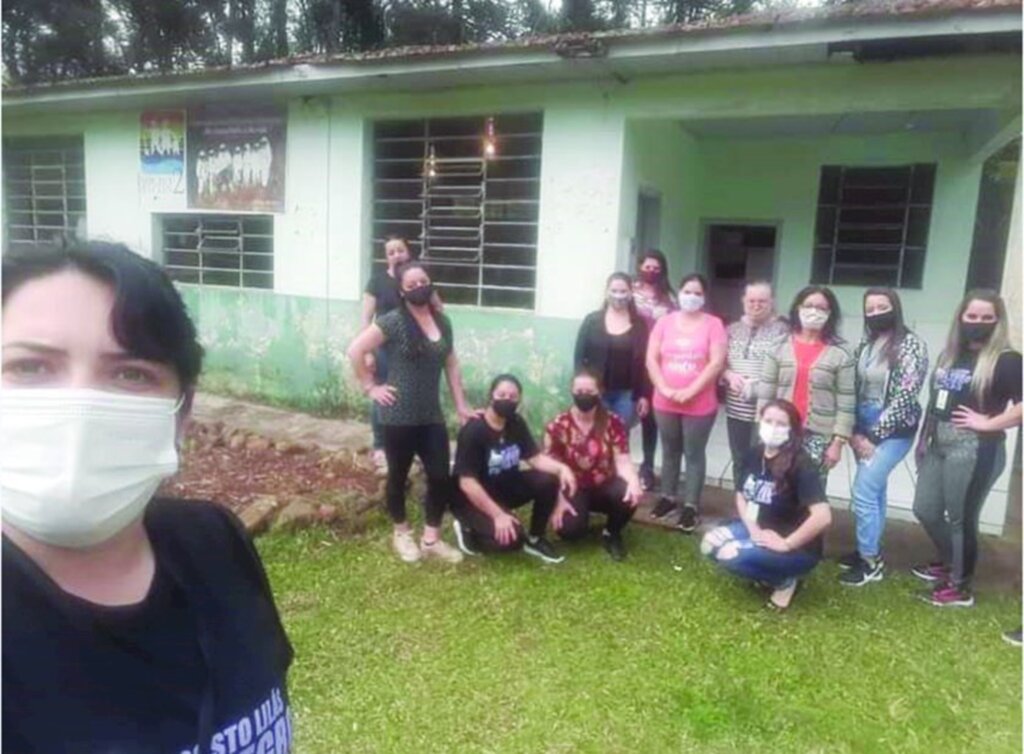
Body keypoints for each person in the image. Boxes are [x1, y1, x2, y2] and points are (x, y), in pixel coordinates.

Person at [2, 242, 294, 752]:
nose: (80, 409)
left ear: (181, 415)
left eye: (131, 374)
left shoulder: (215, 540)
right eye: (30, 367)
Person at [347, 261, 472, 565]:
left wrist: (461, 404)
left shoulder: (443, 322)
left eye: (423, 282)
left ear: (431, 284)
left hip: (431, 415)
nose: (419, 288)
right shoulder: (393, 321)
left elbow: (451, 364)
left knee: (441, 476)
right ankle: (401, 532)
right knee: (398, 477)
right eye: (412, 285)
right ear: (402, 291)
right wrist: (370, 387)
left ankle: (431, 539)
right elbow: (355, 350)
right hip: (397, 414)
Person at [912, 289, 1022, 607]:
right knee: (926, 509)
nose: (978, 322)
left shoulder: (1007, 360)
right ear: (961, 317)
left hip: (975, 447)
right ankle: (951, 560)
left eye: (987, 318)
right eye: (972, 316)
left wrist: (988, 423)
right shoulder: (950, 355)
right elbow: (936, 402)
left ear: (998, 321)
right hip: (938, 443)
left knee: (961, 517)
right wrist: (923, 439)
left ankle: (960, 586)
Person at [700, 399, 833, 611]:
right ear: (759, 422)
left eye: (781, 424)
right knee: (709, 544)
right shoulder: (754, 454)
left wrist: (787, 543)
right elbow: (741, 495)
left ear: (792, 430)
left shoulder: (801, 463)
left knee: (730, 554)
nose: (773, 428)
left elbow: (823, 516)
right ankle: (767, 572)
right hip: (760, 529)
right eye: (768, 420)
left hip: (797, 546)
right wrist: (753, 529)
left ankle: (786, 581)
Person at [839, 288, 928, 587]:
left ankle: (870, 563)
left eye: (883, 307)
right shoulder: (867, 343)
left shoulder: (911, 345)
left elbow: (905, 396)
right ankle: (869, 550)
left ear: (896, 308)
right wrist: (852, 428)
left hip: (893, 431)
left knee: (863, 490)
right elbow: (852, 384)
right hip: (863, 424)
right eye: (871, 309)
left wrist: (873, 438)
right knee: (875, 492)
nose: (876, 313)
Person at [450, 375, 577, 564]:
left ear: (519, 400)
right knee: (510, 541)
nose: (507, 400)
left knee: (548, 480)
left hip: (504, 488)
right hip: (472, 498)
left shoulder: (516, 423)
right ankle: (467, 527)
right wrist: (498, 515)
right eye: (501, 394)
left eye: (512, 396)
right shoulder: (474, 430)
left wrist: (562, 469)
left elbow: (535, 458)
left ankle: (535, 538)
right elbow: (467, 483)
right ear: (491, 396)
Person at [646, 273, 727, 533]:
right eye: (687, 291)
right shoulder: (664, 322)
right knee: (669, 450)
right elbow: (651, 359)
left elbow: (716, 363)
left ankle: (691, 505)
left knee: (693, 454)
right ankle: (668, 497)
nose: (691, 297)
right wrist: (664, 387)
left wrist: (691, 390)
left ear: (704, 297)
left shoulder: (713, 324)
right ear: (679, 293)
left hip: (699, 402)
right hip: (665, 400)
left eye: (697, 293)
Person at [360, 236, 443, 474]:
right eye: (391, 252)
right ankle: (380, 447)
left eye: (400, 250)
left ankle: (411, 448)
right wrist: (367, 353)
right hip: (385, 350)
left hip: (417, 349)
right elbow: (366, 318)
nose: (396, 255)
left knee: (413, 395)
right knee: (384, 397)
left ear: (408, 253)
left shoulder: (418, 278)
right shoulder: (377, 281)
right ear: (386, 257)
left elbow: (437, 306)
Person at [545, 370, 644, 560]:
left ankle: (611, 533)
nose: (584, 395)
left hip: (604, 485)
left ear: (599, 393)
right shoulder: (558, 425)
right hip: (573, 487)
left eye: (589, 391)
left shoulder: (613, 422)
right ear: (571, 391)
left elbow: (622, 460)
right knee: (569, 532)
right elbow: (550, 468)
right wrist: (558, 500)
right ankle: (580, 515)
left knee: (628, 493)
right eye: (579, 391)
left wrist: (633, 480)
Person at [757, 285, 855, 477]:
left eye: (821, 308)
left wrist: (837, 443)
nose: (814, 311)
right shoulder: (777, 347)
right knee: (774, 487)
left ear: (830, 314)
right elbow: (766, 393)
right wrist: (762, 430)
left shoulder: (841, 354)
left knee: (811, 493)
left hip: (818, 436)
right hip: (780, 430)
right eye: (808, 305)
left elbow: (846, 403)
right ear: (798, 309)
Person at [721, 280, 789, 490]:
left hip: (768, 412)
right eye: (751, 300)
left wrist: (758, 386)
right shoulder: (731, 329)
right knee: (740, 459)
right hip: (736, 410)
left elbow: (786, 370)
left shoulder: (783, 331)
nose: (756, 305)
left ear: (772, 302)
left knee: (765, 461)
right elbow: (719, 361)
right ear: (743, 301)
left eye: (762, 301)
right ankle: (741, 506)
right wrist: (728, 374)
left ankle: (761, 512)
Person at [574, 272, 650, 428]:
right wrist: (581, 388)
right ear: (606, 292)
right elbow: (579, 357)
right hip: (595, 391)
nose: (618, 296)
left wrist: (644, 395)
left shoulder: (639, 325)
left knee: (620, 437)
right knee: (595, 435)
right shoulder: (591, 321)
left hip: (626, 395)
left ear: (630, 293)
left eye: (623, 291)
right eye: (614, 291)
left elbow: (645, 363)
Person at [632, 250, 678, 491]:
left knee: (650, 418)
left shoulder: (669, 296)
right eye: (647, 267)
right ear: (640, 266)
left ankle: (647, 466)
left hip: (656, 361)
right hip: (629, 357)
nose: (651, 271)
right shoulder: (629, 291)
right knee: (621, 414)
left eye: (656, 268)